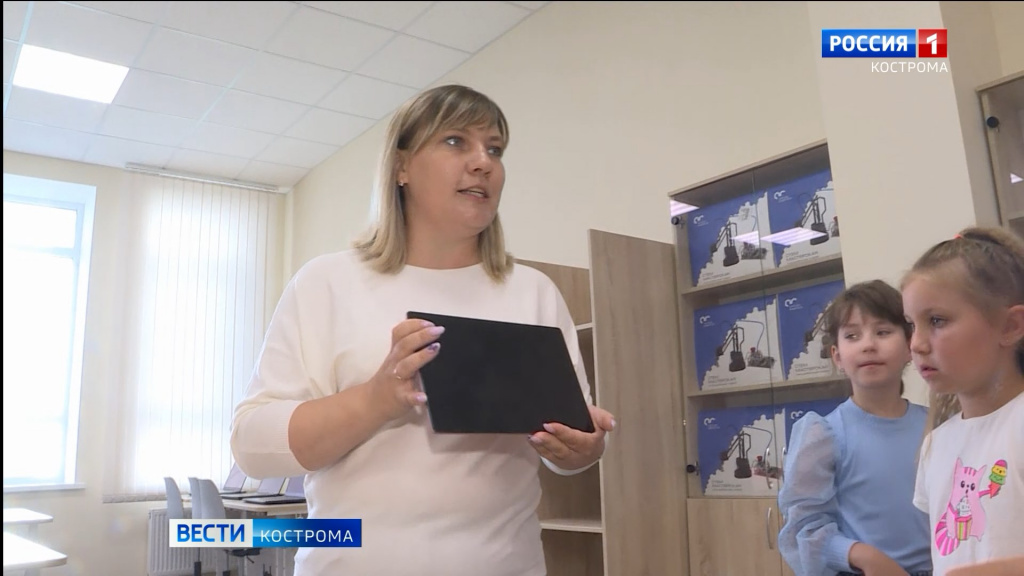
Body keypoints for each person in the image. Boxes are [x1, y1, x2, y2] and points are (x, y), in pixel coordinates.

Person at [229, 84, 616, 575]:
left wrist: (585, 448)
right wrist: (375, 400)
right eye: (456, 141)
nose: (483, 162)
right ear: (402, 167)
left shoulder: (534, 292)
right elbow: (252, 446)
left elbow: (569, 445)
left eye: (495, 149)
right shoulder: (326, 282)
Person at [778, 279, 932, 576]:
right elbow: (803, 525)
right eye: (852, 335)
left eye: (883, 332)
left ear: (909, 347)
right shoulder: (824, 433)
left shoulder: (935, 425)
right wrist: (863, 555)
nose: (868, 345)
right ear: (837, 356)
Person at [901, 226, 1024, 576]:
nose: (916, 344)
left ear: (1010, 326)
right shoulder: (936, 444)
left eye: (937, 321)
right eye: (911, 324)